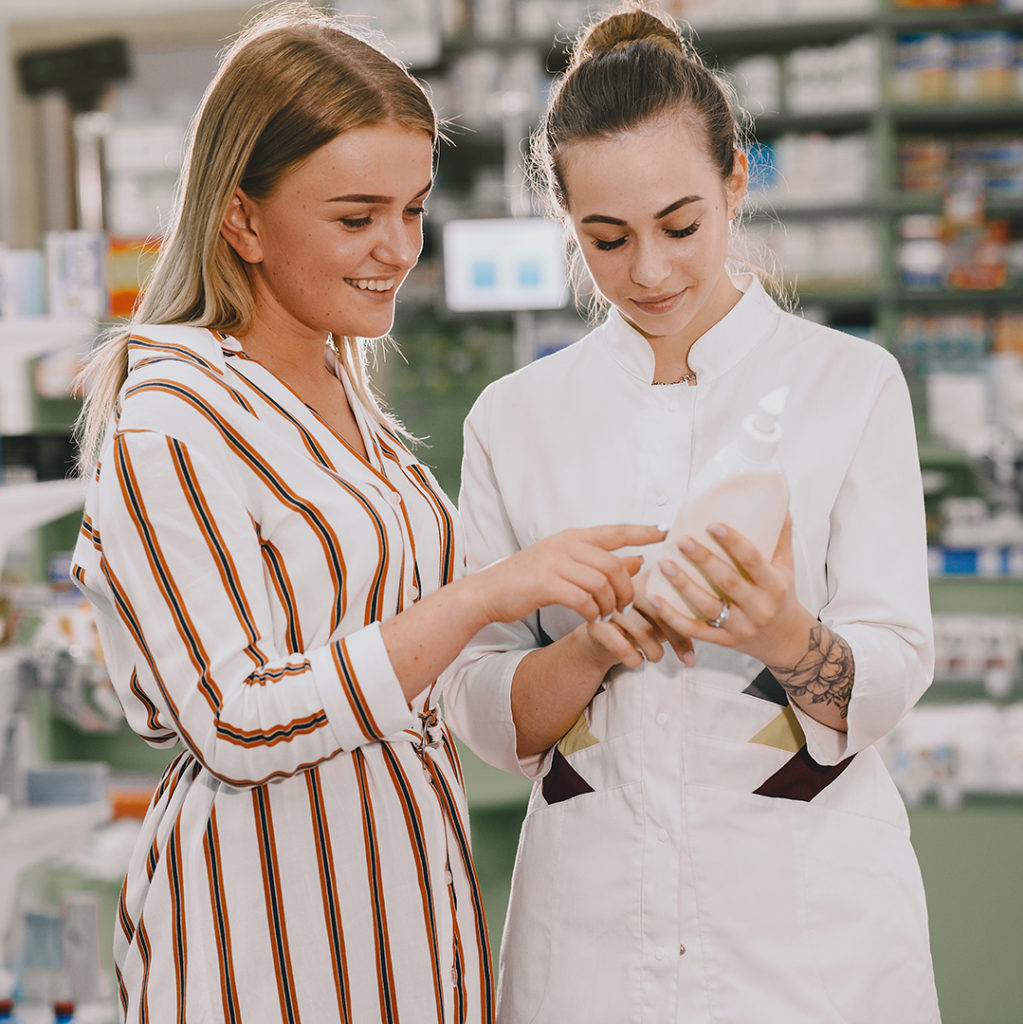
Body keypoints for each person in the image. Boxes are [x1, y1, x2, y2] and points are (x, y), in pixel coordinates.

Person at [69, 7, 663, 1023]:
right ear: (242, 219)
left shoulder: (347, 396)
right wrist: (484, 594)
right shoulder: (171, 420)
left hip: (404, 919)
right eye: (356, 218)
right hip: (263, 944)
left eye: (413, 209)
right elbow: (235, 721)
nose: (397, 248)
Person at [443, 7, 941, 1023]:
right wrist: (589, 650)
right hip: (589, 947)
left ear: (735, 181)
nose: (650, 272)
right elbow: (481, 705)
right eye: (606, 239)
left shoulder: (850, 385)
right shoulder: (515, 419)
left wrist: (780, 633)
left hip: (810, 943)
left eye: (679, 225)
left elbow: (891, 669)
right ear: (566, 221)